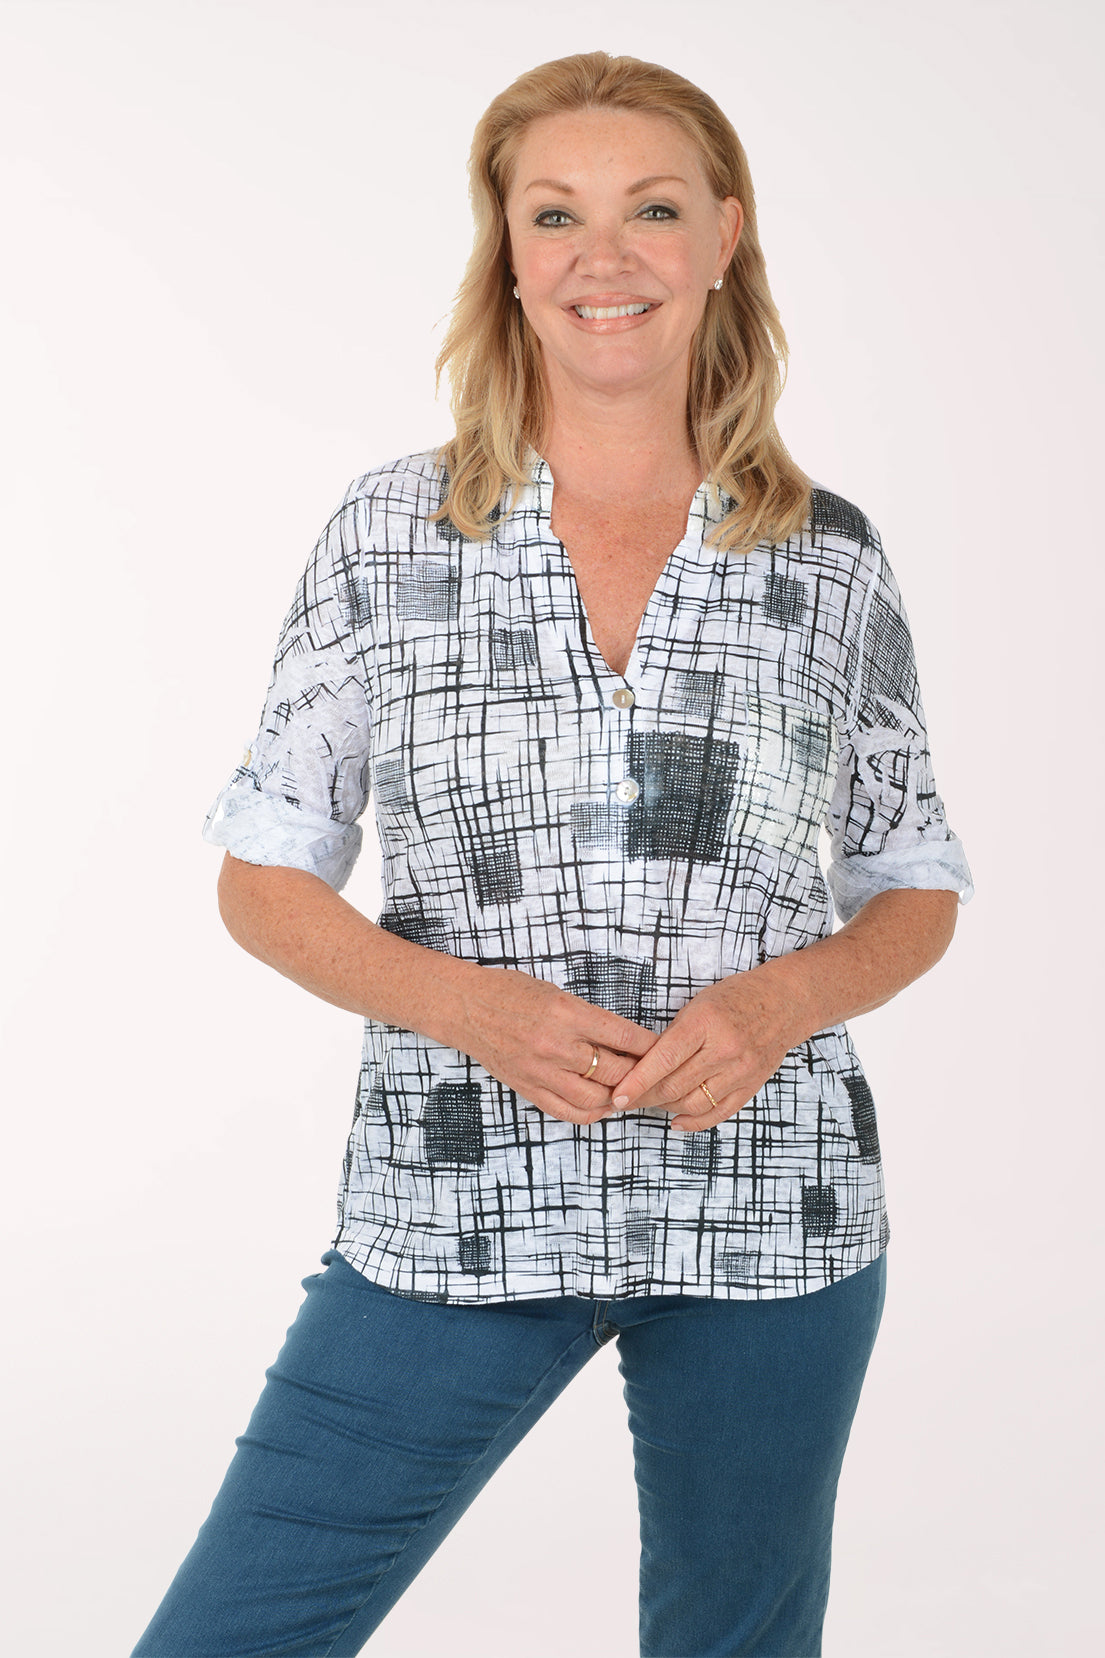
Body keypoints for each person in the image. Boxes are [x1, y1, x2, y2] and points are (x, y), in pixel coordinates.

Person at [131, 49, 973, 1658]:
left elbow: (913, 876)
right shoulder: (391, 534)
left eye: (652, 208)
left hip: (770, 1218)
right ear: (506, 254)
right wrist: (467, 1006)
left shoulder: (826, 554)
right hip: (453, 1210)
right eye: (557, 214)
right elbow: (264, 874)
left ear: (723, 235)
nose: (608, 254)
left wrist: (786, 999)